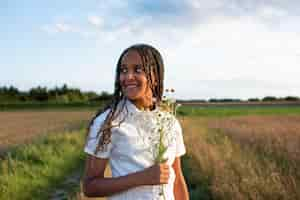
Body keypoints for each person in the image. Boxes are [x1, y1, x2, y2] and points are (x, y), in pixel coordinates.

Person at [82, 44, 189, 200]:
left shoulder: (170, 122)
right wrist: (141, 178)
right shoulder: (108, 123)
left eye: (138, 70)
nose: (128, 77)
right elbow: (90, 187)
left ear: (156, 77)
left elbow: (177, 179)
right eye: (123, 70)